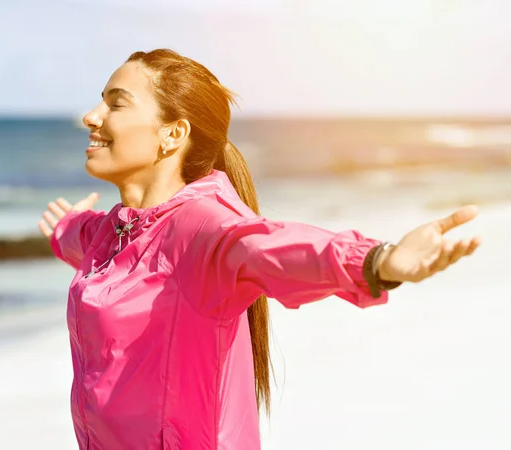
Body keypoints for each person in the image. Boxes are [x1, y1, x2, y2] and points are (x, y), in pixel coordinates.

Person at [37, 49, 481, 450]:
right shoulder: (114, 232)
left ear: (172, 135)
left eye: (116, 103)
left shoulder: (202, 229)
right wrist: (64, 229)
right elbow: (96, 246)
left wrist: (376, 261)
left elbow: (270, 247)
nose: (92, 116)